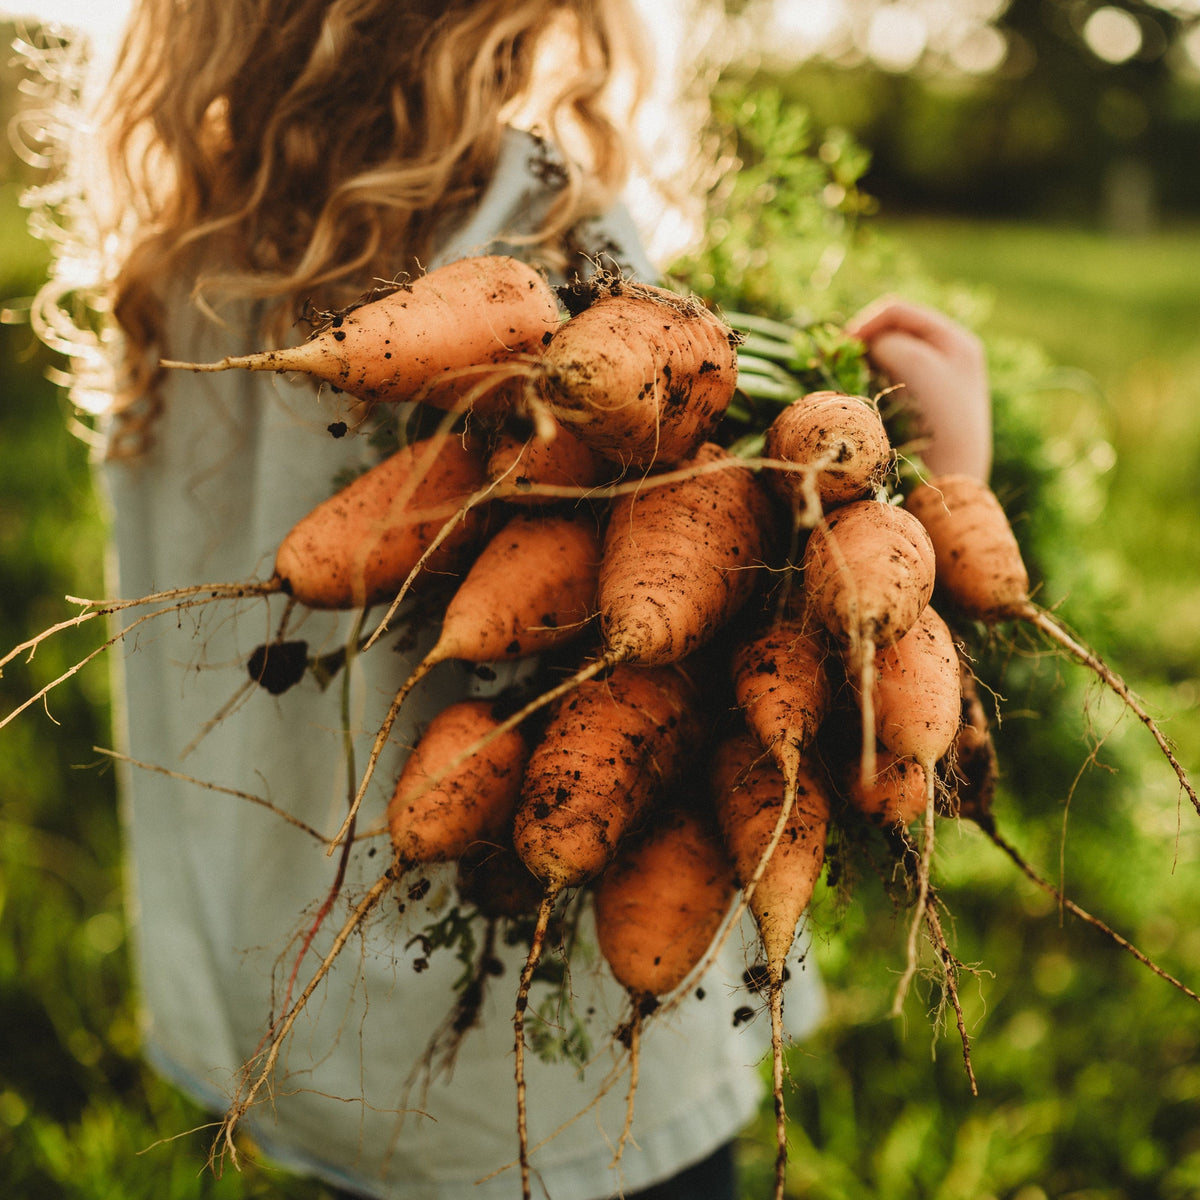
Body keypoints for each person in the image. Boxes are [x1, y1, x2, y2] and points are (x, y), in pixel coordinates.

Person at [26, 2, 992, 1198]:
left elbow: (663, 549)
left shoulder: (173, 251)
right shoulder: (536, 221)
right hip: (536, 1040)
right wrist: (948, 472)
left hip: (285, 972)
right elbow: (727, 564)